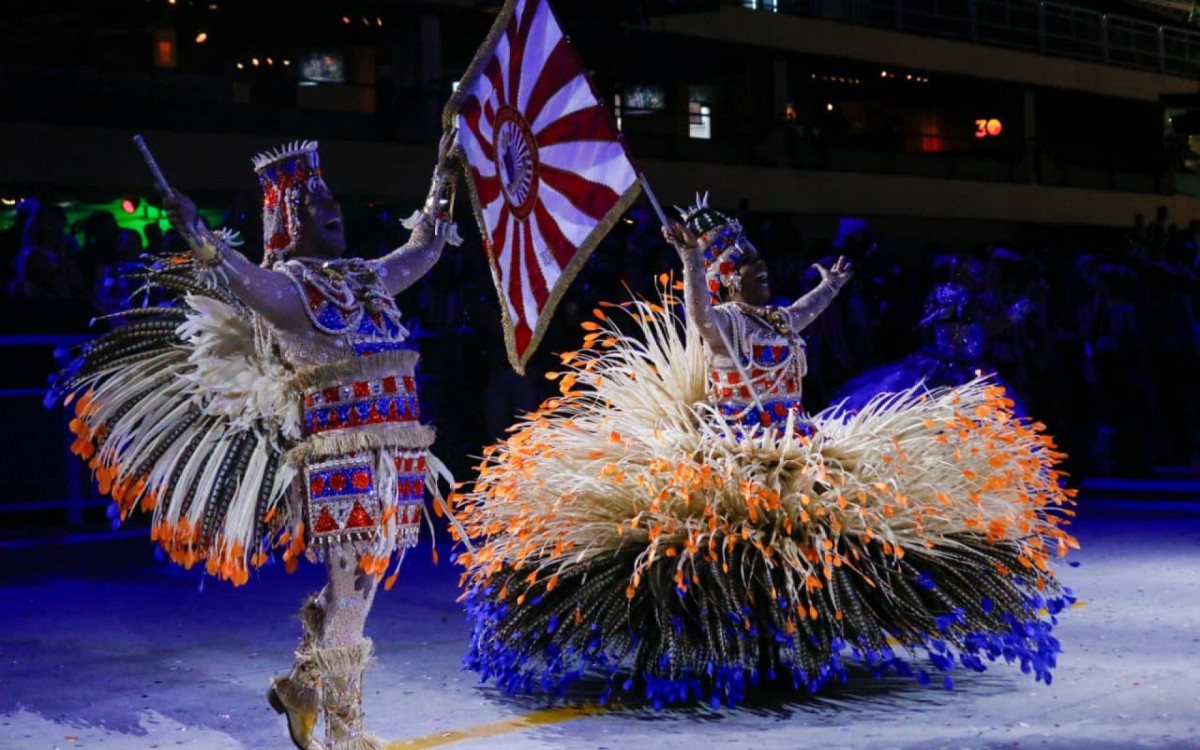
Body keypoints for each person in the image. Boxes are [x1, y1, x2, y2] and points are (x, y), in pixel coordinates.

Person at [454, 194, 1076, 707]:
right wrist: (691, 257)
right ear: (732, 278)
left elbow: (806, 311)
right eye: (751, 270)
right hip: (735, 452)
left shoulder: (777, 320)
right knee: (740, 548)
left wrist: (830, 285)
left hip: (793, 445)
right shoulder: (723, 321)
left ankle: (792, 641)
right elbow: (695, 310)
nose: (763, 274)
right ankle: (729, 645)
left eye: (763, 267)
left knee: (812, 543)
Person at [52, 135, 462, 750]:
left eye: (332, 195)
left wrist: (442, 175)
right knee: (352, 605)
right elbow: (238, 277)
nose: (334, 205)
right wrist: (201, 239)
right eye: (316, 198)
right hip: (342, 467)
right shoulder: (290, 293)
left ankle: (302, 688)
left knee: (355, 593)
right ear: (291, 217)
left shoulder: (366, 277)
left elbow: (424, 248)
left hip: (397, 460)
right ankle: (345, 739)